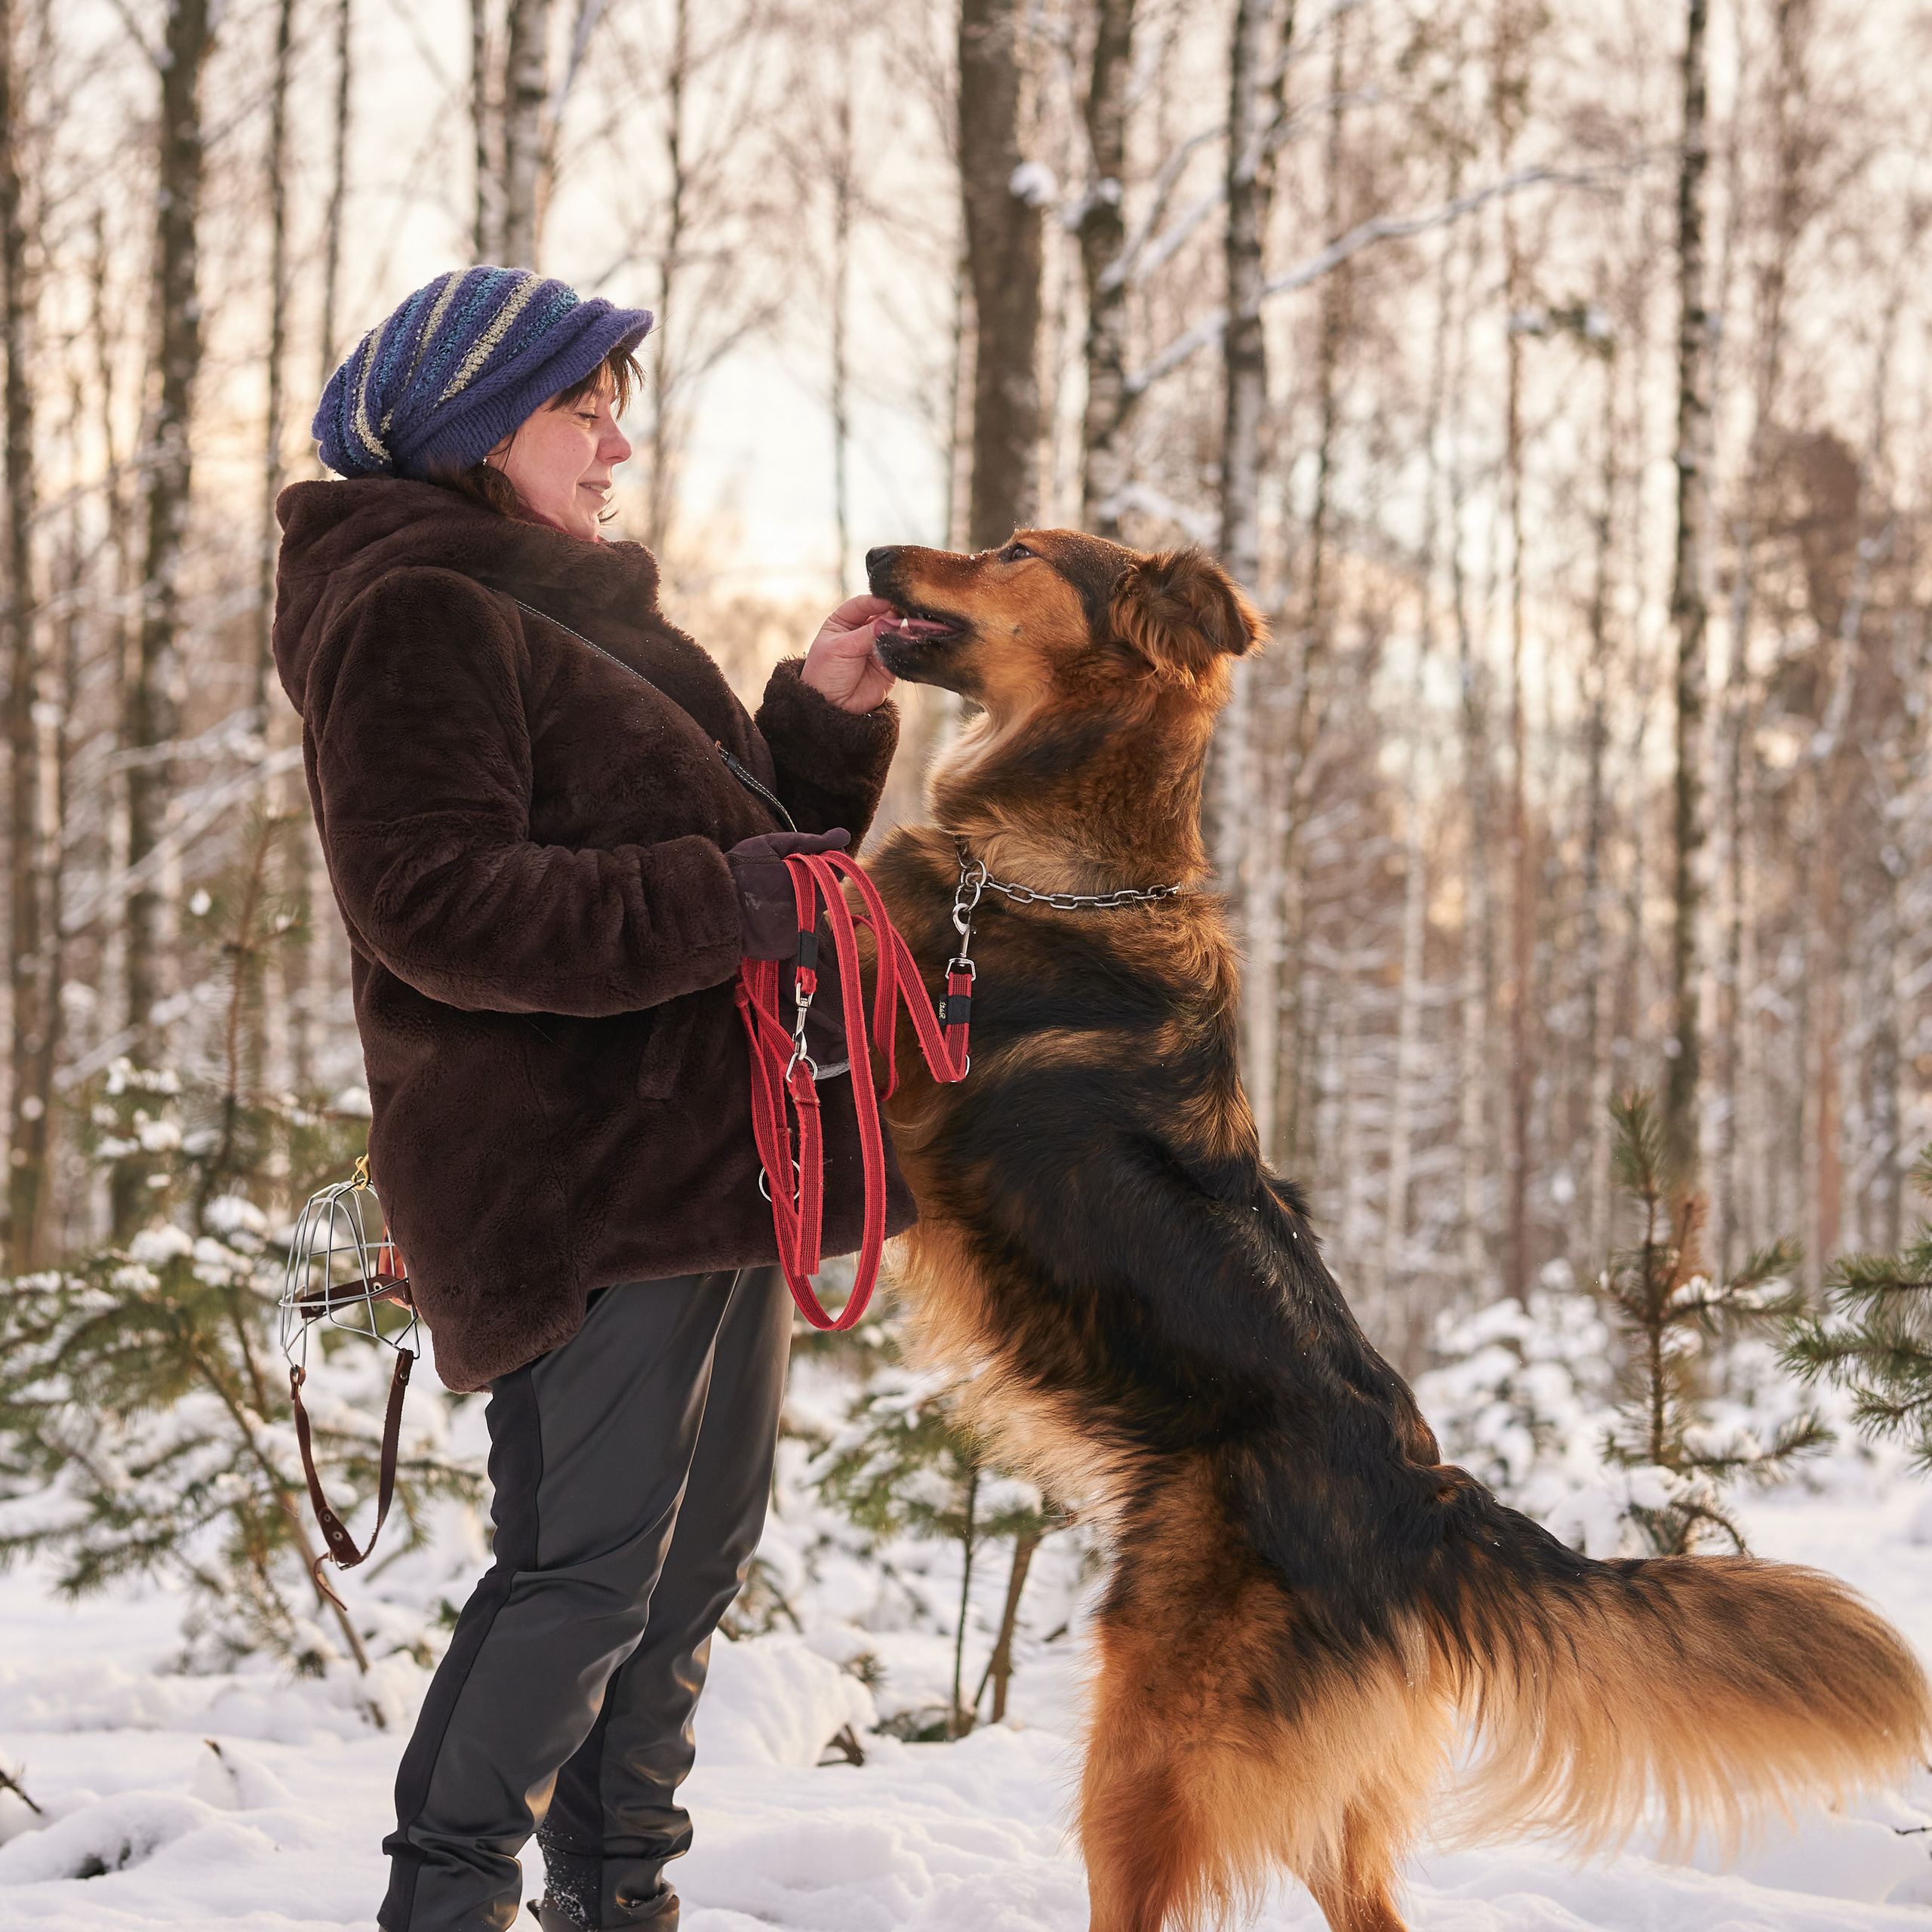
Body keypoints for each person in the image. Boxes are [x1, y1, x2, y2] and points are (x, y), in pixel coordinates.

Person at [273, 264, 915, 1932]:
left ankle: (619, 1899)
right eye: (583, 406)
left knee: (682, 1573)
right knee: (580, 1573)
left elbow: (747, 844)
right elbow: (436, 902)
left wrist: (819, 730)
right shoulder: (415, 612)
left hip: (708, 1164)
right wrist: (730, 898)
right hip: (568, 1182)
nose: (614, 439)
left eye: (614, 404)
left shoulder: (573, 605)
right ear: (483, 426)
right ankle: (448, 1902)